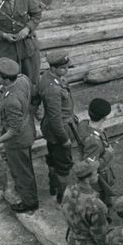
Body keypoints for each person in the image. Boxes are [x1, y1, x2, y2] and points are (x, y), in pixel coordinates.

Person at [0, 58, 38, 212]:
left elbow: (14, 130)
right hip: (28, 128)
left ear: (6, 79)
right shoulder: (22, 79)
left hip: (18, 141)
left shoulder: (12, 101)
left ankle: (29, 202)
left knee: (22, 172)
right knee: (25, 167)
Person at [39, 53, 77, 202]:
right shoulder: (53, 89)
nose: (66, 70)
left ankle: (53, 186)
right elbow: (55, 119)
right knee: (63, 165)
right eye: (63, 68)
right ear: (53, 68)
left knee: (54, 159)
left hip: (53, 128)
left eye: (67, 67)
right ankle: (63, 197)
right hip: (59, 130)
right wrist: (64, 139)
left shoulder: (49, 78)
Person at [75, 97, 115, 206]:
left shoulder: (83, 124)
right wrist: (108, 154)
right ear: (105, 117)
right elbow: (91, 166)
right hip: (98, 178)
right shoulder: (94, 142)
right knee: (102, 201)